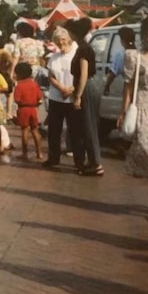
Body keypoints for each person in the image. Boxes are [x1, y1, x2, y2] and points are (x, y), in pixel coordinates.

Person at [120, 14, 148, 222]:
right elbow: (128, 86)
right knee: (147, 153)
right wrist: (123, 111)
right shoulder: (136, 56)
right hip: (143, 109)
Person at [67, 17, 103, 176]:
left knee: (88, 126)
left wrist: (78, 96)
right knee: (86, 124)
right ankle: (92, 161)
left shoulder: (83, 49)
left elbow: (83, 74)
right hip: (87, 86)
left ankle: (96, 163)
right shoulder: (83, 47)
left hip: (85, 87)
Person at [43, 27, 78, 169]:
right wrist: (62, 88)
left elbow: (82, 75)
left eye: (63, 39)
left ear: (68, 39)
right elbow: (51, 77)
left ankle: (78, 160)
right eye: (58, 41)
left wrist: (72, 89)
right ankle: (53, 158)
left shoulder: (76, 54)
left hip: (73, 97)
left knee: (75, 130)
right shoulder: (54, 57)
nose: (61, 42)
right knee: (54, 130)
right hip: (56, 97)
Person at [13, 61, 44, 161]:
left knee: (24, 130)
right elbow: (39, 97)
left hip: (23, 109)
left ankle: (25, 153)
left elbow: (17, 99)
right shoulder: (34, 84)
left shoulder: (20, 85)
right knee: (35, 130)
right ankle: (39, 153)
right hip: (33, 109)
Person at [105, 26, 136, 95]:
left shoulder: (121, 55)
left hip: (128, 88)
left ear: (122, 40)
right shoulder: (140, 54)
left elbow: (113, 73)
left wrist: (107, 86)